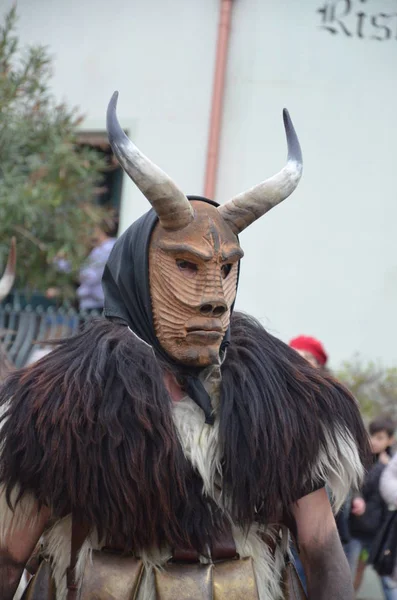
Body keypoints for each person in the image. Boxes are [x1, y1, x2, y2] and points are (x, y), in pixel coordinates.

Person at [0, 92, 370, 600]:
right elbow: (8, 556)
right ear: (137, 271)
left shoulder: (285, 408)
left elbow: (322, 548)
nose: (215, 300)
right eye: (186, 266)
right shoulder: (61, 409)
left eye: (224, 269)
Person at [346, 416, 397, 600]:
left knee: (387, 580)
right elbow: (355, 487)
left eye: (380, 437)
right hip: (356, 530)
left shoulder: (392, 464)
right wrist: (357, 499)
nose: (373, 441)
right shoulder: (360, 458)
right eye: (372, 435)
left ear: (390, 440)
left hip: (380, 533)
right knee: (349, 576)